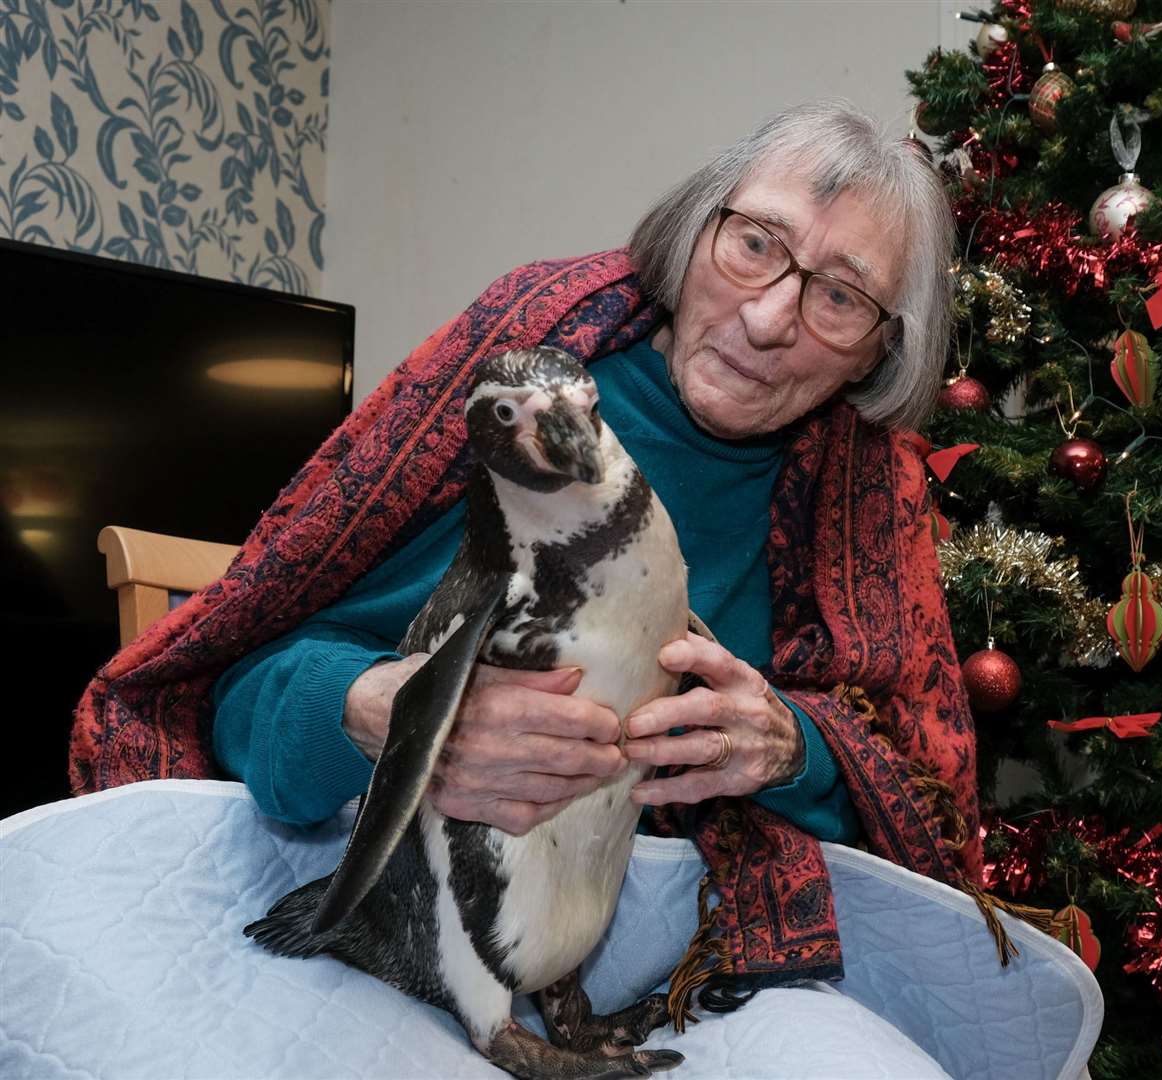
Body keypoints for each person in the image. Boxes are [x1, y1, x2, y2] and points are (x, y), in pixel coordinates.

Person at [70, 100, 984, 1014]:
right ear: (693, 230)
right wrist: (391, 720)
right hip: (419, 924)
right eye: (754, 244)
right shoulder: (524, 406)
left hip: (702, 960)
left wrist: (792, 747)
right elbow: (241, 689)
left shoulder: (866, 495)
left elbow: (919, 796)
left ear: (876, 352)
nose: (770, 316)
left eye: (838, 297)